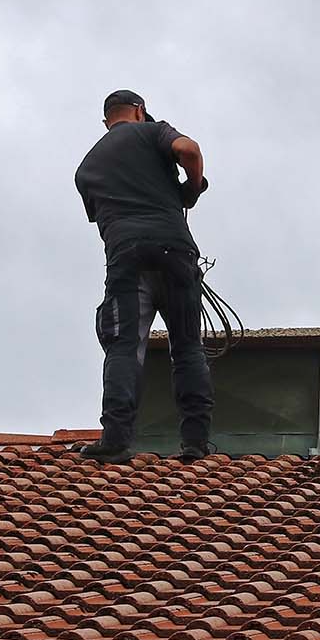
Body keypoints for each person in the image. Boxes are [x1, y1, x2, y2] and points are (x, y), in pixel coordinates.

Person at [72, 89, 214, 464]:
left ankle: (116, 440)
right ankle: (195, 444)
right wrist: (193, 188)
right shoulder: (152, 132)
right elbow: (190, 150)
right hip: (175, 253)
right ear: (140, 111)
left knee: (123, 347)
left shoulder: (86, 169)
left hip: (126, 258)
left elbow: (104, 213)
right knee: (187, 348)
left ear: (107, 121)